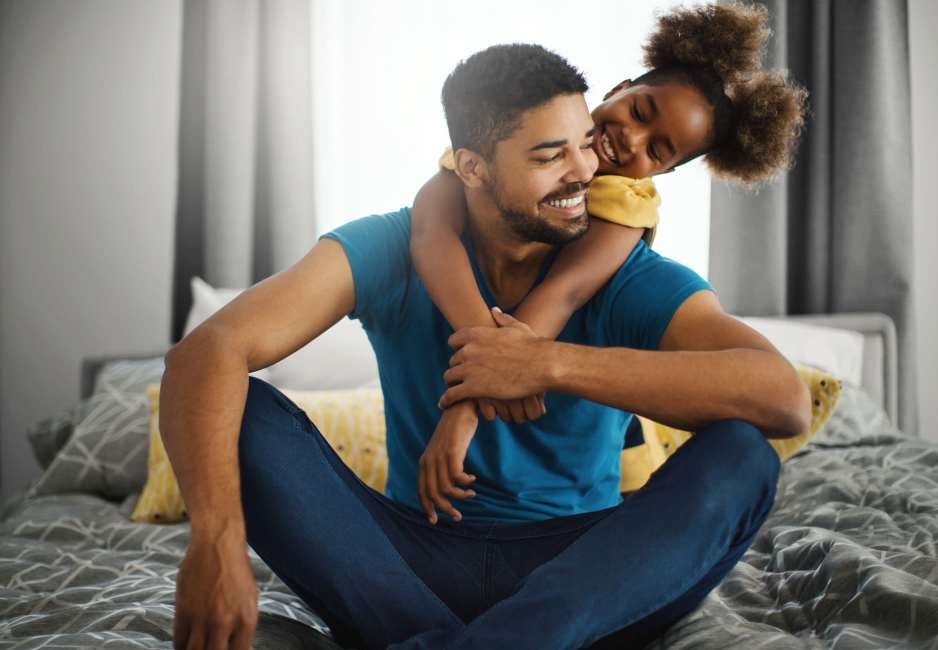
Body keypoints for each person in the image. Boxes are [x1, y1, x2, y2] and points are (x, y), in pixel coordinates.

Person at [162, 43, 811, 650]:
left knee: (743, 456)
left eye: (584, 147)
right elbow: (207, 350)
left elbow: (783, 398)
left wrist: (546, 363)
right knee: (238, 406)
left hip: (584, 581)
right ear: (471, 165)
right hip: (404, 563)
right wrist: (214, 539)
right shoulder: (400, 240)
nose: (588, 166)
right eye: (551, 154)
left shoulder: (628, 270)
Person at [409, 2, 807, 521]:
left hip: (610, 444)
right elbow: (430, 231)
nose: (630, 140)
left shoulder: (625, 205)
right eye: (640, 112)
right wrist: (486, 363)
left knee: (625, 487)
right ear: (619, 88)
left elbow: (564, 292)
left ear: (660, 172)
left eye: (658, 151)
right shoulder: (502, 147)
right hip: (509, 356)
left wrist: (464, 410)